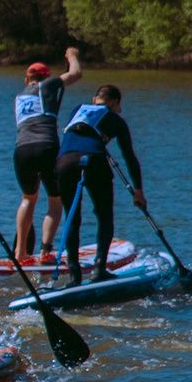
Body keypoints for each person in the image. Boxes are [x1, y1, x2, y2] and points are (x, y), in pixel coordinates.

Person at [52, 86, 145, 283]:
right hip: (94, 161)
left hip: (64, 162)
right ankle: (99, 269)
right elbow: (129, 157)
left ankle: (74, 274)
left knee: (72, 218)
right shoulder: (117, 120)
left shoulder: (77, 109)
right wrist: (138, 191)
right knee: (104, 215)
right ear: (114, 103)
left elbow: (77, 132)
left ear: (95, 100)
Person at [10, 48, 82, 262]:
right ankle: (44, 251)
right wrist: (72, 56)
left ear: (27, 78)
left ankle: (20, 252)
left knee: (28, 198)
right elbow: (76, 74)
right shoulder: (48, 85)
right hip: (47, 146)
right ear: (46, 77)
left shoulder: (20, 96)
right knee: (55, 200)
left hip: (21, 150)